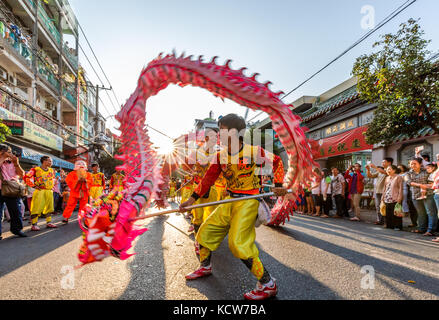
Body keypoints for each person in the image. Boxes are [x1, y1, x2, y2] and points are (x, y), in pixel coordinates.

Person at [179, 114, 286, 300]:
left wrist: (278, 185)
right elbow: (208, 179)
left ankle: (268, 283)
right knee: (204, 234)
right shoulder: (220, 156)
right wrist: (191, 199)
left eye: (222, 129)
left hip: (248, 201)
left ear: (234, 132)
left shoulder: (254, 151)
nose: (219, 133)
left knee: (237, 244)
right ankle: (205, 266)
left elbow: (276, 162)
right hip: (228, 201)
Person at [24, 156, 57, 231]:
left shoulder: (52, 170)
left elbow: (52, 179)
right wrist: (33, 186)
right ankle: (34, 224)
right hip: (40, 191)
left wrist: (52, 186)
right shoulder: (35, 169)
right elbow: (26, 177)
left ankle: (49, 222)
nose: (51, 163)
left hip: (49, 191)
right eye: (50, 161)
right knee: (36, 207)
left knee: (50, 207)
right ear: (44, 161)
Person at [0, 144, 27, 239]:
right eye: (9, 152)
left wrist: (16, 163)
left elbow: (22, 174)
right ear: (1, 152)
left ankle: (17, 229)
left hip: (12, 189)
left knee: (16, 211)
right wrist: (2, 158)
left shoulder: (12, 162)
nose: (11, 154)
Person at [406, 158, 437, 236]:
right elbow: (409, 182)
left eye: (415, 163)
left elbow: (432, 180)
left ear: (420, 164)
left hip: (428, 194)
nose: (413, 165)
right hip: (415, 195)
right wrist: (420, 185)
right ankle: (422, 229)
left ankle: (431, 230)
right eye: (411, 164)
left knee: (431, 212)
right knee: (420, 213)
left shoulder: (426, 171)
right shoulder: (408, 173)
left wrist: (425, 186)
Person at [366, 158, 393, 225]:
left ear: (389, 163)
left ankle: (386, 221)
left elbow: (384, 172)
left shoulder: (389, 170)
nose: (382, 164)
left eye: (384, 162)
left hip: (385, 192)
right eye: (382, 162)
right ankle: (380, 220)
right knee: (378, 207)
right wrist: (368, 170)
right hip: (378, 191)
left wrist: (375, 167)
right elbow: (370, 176)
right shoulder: (379, 171)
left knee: (384, 207)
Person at [382, 165, 404, 230]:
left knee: (396, 212)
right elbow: (384, 188)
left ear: (394, 170)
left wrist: (400, 197)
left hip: (395, 197)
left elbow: (400, 188)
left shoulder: (398, 177)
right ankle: (389, 225)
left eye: (389, 169)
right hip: (387, 197)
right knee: (388, 212)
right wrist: (382, 197)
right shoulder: (387, 178)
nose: (388, 171)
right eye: (387, 169)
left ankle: (397, 226)